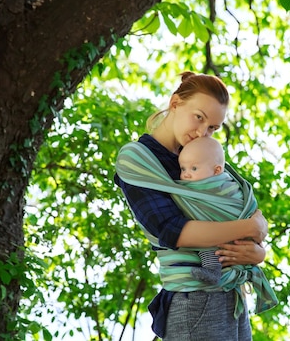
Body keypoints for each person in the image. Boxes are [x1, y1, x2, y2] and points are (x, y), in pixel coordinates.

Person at [114, 72, 277, 341]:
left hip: (231, 295)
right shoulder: (138, 158)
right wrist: (251, 226)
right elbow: (172, 231)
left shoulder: (199, 156)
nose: (203, 132)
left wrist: (257, 253)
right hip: (195, 298)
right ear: (175, 103)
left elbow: (231, 207)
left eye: (213, 127)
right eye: (199, 117)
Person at [178, 136, 240, 284]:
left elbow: (240, 203)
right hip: (231, 233)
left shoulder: (225, 185)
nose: (186, 174)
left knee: (205, 242)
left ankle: (212, 270)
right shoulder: (194, 184)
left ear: (217, 170)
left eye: (194, 168)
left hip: (227, 232)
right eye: (182, 168)